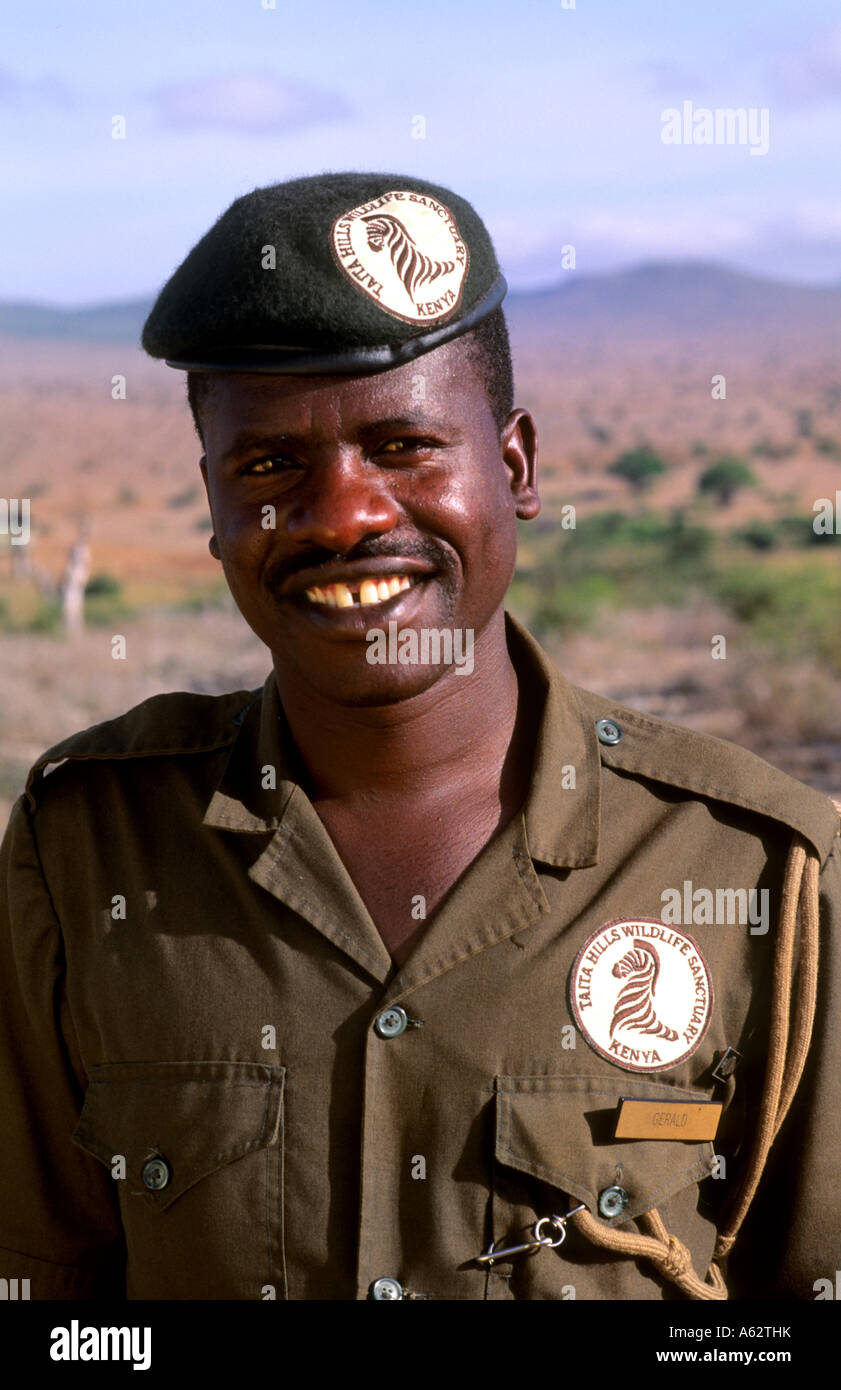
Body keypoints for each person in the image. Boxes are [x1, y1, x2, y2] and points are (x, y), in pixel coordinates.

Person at [1, 172, 839, 1302]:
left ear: (517, 466)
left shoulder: (748, 869)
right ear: (209, 507)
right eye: (267, 467)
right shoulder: (88, 849)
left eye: (402, 446)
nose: (343, 514)